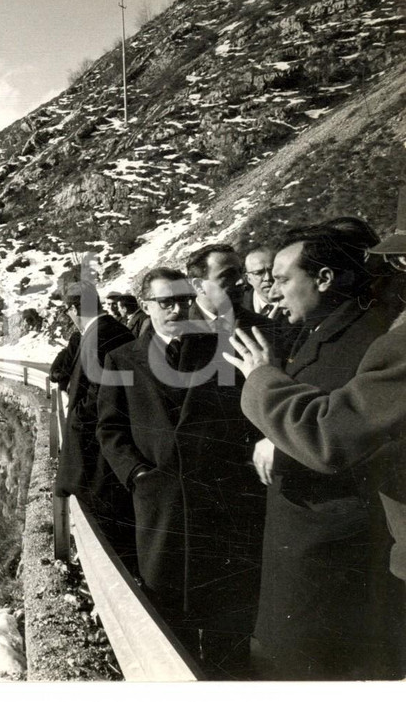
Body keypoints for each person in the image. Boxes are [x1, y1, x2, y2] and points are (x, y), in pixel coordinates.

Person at [224, 209, 406, 677]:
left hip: (330, 544)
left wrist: (264, 384)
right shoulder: (334, 330)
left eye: (401, 263)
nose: (271, 290)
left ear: (324, 278)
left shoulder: (380, 340)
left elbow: (332, 435)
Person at [96, 267, 265, 679]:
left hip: (219, 501)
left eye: (183, 301)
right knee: (169, 610)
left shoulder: (220, 349)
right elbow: (109, 427)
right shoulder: (122, 359)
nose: (176, 309)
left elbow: (242, 416)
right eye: (165, 302)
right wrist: (136, 475)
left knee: (226, 612)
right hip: (161, 505)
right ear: (146, 307)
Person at [53, 280, 137, 567]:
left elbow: (103, 398)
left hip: (99, 454)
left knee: (110, 525)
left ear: (75, 308)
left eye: (67, 310)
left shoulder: (102, 334)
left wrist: (77, 417)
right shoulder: (104, 331)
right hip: (97, 448)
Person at [186, 242, 292, 359]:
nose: (241, 281)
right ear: (199, 286)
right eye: (228, 275)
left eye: (239, 272)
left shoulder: (267, 328)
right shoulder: (175, 333)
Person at [242, 245, 283, 318]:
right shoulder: (240, 309)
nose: (268, 277)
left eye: (272, 270)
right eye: (259, 273)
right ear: (248, 279)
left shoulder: (298, 301)